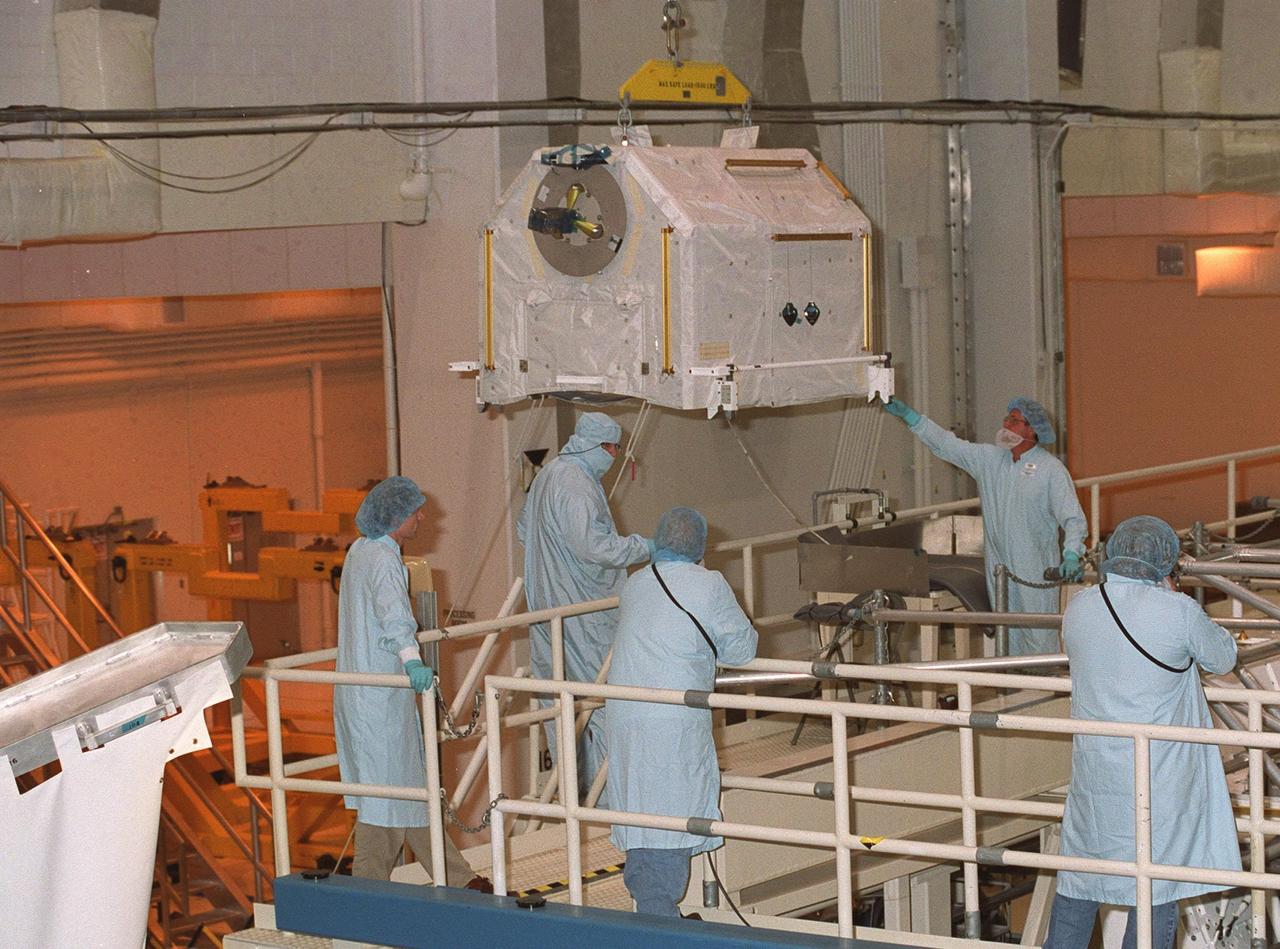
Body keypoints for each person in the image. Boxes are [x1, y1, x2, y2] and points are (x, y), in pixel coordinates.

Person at [1046, 515, 1239, 949]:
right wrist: (1174, 598)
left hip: (1096, 770)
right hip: (1158, 774)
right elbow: (1222, 658)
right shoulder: (1178, 611)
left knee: (1082, 875)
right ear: (1166, 563)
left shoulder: (1079, 606)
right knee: (1155, 883)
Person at [606, 507, 758, 917]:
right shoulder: (709, 584)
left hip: (625, 716)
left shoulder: (636, 583)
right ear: (700, 546)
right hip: (671, 721)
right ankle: (659, 921)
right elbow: (743, 649)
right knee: (670, 816)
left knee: (642, 814)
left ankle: (652, 910)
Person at [334, 475, 482, 887]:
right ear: (396, 516)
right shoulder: (383, 559)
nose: (421, 516)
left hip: (362, 693)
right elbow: (395, 618)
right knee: (388, 801)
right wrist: (413, 661)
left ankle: (458, 879)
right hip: (380, 697)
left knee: (407, 793)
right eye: (415, 510)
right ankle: (367, 892)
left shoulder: (359, 552)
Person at [883, 395, 1087, 655]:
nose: (1006, 425)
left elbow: (1072, 518)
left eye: (1014, 421)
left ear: (1032, 429)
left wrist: (1072, 553)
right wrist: (910, 417)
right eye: (1006, 418)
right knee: (1006, 640)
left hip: (1036, 569)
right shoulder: (990, 460)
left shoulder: (1051, 470)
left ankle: (1043, 690)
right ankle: (1011, 693)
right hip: (999, 571)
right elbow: (947, 445)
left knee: (1039, 639)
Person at [517, 411, 652, 793]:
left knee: (560, 705)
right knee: (604, 701)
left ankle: (575, 798)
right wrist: (645, 546)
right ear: (600, 446)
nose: (615, 456)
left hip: (547, 611)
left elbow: (524, 530)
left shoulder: (549, 475)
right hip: (584, 613)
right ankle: (614, 801)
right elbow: (594, 546)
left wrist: (554, 567)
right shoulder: (576, 483)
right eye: (613, 449)